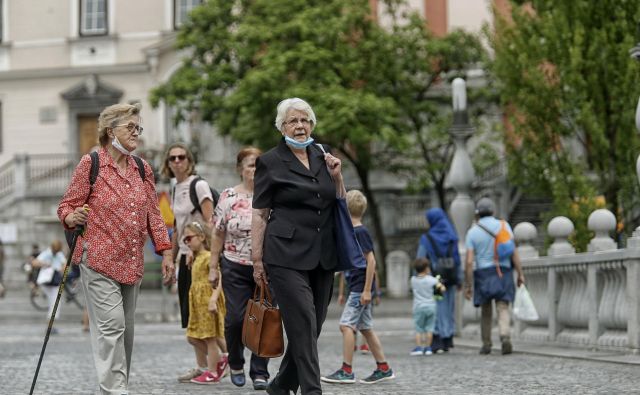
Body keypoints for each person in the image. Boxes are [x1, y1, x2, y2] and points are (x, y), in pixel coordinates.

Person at [58, 102, 175, 395]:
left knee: (127, 332)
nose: (137, 133)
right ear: (111, 132)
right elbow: (67, 205)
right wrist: (72, 217)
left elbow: (153, 213)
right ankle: (115, 390)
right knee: (112, 325)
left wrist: (166, 252)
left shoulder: (141, 167)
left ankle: (116, 384)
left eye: (139, 128)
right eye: (131, 128)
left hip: (131, 260)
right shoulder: (92, 163)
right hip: (97, 257)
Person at [251, 97, 343, 395]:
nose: (300, 126)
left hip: (323, 253)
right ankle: (312, 390)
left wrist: (338, 176)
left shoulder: (323, 154)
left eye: (305, 120)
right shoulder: (270, 161)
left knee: (312, 327)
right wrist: (256, 261)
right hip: (284, 254)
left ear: (312, 124)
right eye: (293, 120)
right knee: (302, 323)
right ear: (282, 127)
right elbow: (260, 214)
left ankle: (280, 385)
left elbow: (337, 199)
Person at [160, 142, 228, 382]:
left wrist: (204, 253)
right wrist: (171, 255)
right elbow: (178, 228)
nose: (177, 162)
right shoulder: (176, 187)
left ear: (189, 160)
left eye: (181, 157)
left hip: (202, 258)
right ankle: (204, 365)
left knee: (205, 316)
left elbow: (212, 223)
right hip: (185, 258)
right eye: (172, 158)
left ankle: (224, 357)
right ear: (167, 164)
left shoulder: (198, 185)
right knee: (191, 316)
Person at [208, 147, 270, 390]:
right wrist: (213, 266)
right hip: (234, 265)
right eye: (250, 165)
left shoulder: (271, 195)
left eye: (257, 165)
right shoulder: (228, 196)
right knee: (235, 319)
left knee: (263, 319)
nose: (254, 170)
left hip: (266, 267)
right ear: (240, 169)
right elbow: (217, 232)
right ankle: (235, 361)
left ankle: (260, 371)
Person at [321, 189, 395, 385]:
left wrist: (366, 290)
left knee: (346, 326)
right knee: (366, 328)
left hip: (360, 289)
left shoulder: (360, 232)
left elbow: (371, 262)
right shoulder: (353, 232)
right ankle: (383, 367)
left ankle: (346, 370)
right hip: (358, 287)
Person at [464, 197, 525, 355]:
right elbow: (514, 252)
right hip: (503, 271)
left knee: (485, 309)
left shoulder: (472, 232)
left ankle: (486, 343)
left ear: (478, 213)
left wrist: (468, 285)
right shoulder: (504, 226)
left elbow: (470, 261)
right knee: (503, 306)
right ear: (493, 211)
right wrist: (520, 273)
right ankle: (505, 336)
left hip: (483, 273)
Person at [181, 221, 227, 384]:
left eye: (189, 238)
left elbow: (220, 279)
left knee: (210, 338)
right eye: (184, 240)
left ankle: (213, 371)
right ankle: (222, 359)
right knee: (192, 337)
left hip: (207, 302)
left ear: (201, 237)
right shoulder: (196, 257)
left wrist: (214, 299)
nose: (187, 242)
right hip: (197, 304)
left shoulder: (209, 257)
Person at [416, 208, 462, 352]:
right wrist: (459, 279)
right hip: (451, 277)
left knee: (436, 307)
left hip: (435, 278)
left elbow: (421, 258)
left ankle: (437, 339)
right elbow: (457, 259)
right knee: (449, 307)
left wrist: (418, 278)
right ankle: (448, 338)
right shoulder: (452, 236)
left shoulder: (427, 238)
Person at [410, 257, 446, 356]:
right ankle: (428, 348)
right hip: (431, 306)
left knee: (419, 328)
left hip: (418, 306)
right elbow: (442, 288)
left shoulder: (413, 280)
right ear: (427, 268)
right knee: (430, 328)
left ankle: (419, 348)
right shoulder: (432, 280)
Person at [32, 240, 66, 332]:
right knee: (55, 304)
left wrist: (61, 270)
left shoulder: (59, 254)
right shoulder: (47, 253)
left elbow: (65, 265)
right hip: (48, 282)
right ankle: (49, 327)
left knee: (55, 304)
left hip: (55, 282)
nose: (56, 252)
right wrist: (45, 264)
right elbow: (34, 263)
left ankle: (50, 326)